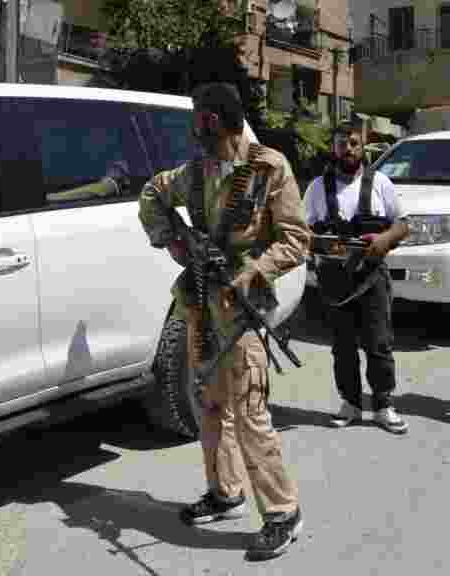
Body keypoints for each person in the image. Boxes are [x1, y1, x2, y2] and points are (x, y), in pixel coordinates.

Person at [137, 83, 309, 560]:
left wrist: (254, 269)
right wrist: (173, 239)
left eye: (200, 118)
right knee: (209, 404)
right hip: (200, 302)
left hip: (244, 310)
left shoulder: (268, 168)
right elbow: (151, 193)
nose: (195, 127)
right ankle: (225, 491)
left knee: (251, 412)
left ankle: (282, 512)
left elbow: (296, 240)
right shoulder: (193, 174)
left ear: (215, 120)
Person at [303, 119, 411, 433]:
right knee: (343, 346)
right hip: (335, 280)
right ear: (333, 147)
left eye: (353, 143)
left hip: (372, 276)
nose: (348, 149)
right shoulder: (317, 188)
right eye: (341, 143)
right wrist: (318, 242)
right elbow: (301, 230)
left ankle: (383, 405)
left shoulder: (381, 183)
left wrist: (384, 240)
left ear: (361, 147)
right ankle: (350, 403)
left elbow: (402, 224)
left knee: (379, 343)